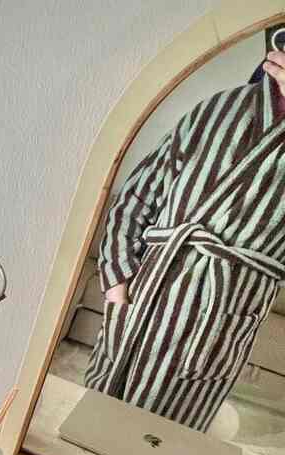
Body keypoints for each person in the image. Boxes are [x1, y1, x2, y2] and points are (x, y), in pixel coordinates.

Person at [84, 50, 285, 432]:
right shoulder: (219, 109)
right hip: (144, 296)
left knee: (165, 446)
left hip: (225, 312)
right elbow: (137, 196)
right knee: (90, 431)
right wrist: (116, 285)